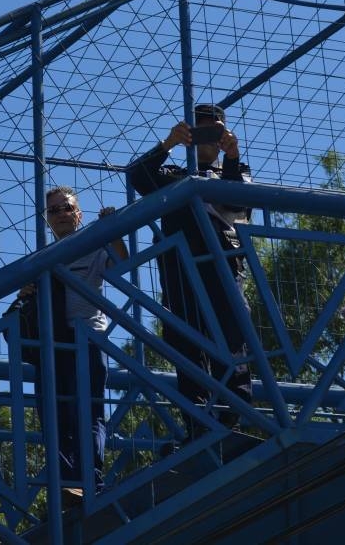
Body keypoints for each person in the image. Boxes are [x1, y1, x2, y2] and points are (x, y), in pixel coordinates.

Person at [127, 104, 253, 442]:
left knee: (231, 340)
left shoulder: (237, 170)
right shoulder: (172, 175)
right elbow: (137, 175)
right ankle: (198, 422)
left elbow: (237, 204)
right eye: (201, 129)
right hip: (179, 271)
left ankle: (232, 421)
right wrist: (167, 144)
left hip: (223, 265)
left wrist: (230, 156)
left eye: (216, 129)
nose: (209, 136)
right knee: (186, 343)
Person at [6, 185, 128, 504]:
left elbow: (122, 265)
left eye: (66, 208)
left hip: (87, 337)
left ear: (79, 213)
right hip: (52, 344)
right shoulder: (40, 260)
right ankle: (65, 480)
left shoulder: (92, 244)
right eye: (54, 210)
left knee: (87, 410)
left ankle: (90, 478)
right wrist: (24, 294)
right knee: (54, 413)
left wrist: (113, 229)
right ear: (47, 219)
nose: (61, 214)